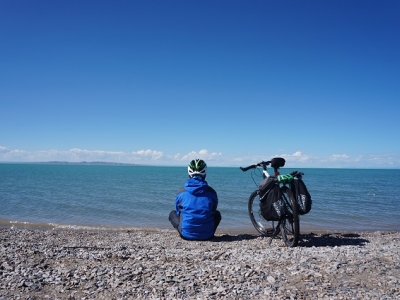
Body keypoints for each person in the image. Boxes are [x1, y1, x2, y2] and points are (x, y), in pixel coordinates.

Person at [169, 159, 221, 240]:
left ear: (189, 174)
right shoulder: (212, 192)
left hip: (186, 235)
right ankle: (205, 231)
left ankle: (187, 230)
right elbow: (213, 211)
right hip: (208, 235)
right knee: (217, 214)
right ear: (205, 174)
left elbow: (178, 212)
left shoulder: (181, 192)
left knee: (172, 214)